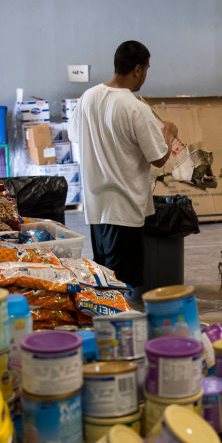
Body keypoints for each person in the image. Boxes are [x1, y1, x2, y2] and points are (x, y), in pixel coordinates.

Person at [69, 40, 178, 288]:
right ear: (138, 69)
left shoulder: (88, 97)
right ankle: (122, 324)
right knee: (123, 285)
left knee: (104, 280)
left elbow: (75, 135)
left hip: (96, 209)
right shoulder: (135, 108)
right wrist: (169, 134)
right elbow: (159, 157)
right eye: (147, 69)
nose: (145, 76)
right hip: (124, 211)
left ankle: (106, 322)